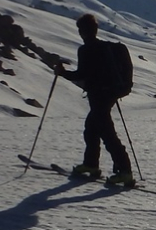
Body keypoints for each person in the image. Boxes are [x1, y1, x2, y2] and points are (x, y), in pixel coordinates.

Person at [54, 14, 133, 187]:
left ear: (82, 31)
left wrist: (62, 73)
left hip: (98, 96)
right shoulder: (107, 48)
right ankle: (91, 164)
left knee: (107, 134)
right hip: (110, 94)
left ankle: (125, 171)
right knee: (92, 128)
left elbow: (81, 75)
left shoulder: (87, 49)